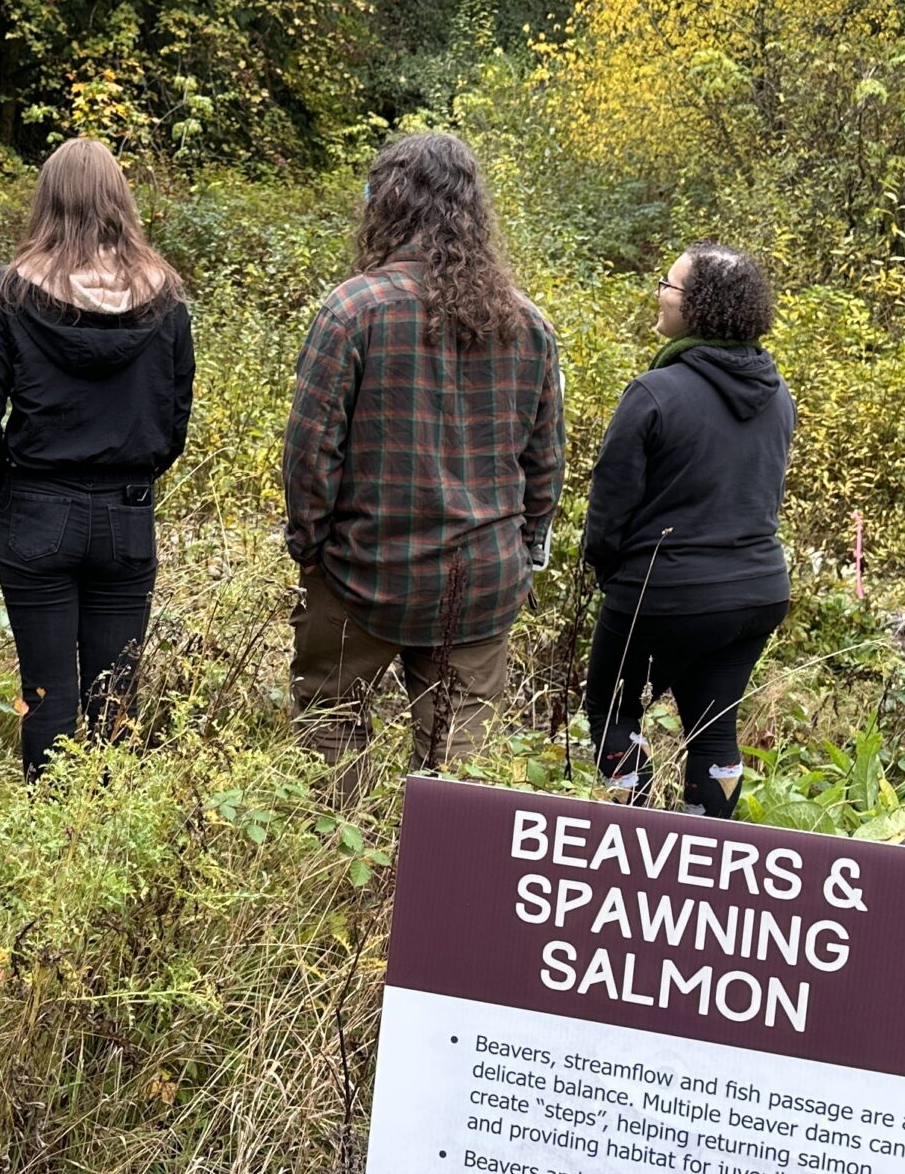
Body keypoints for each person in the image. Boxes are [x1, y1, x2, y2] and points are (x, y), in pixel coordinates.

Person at [281, 132, 563, 794]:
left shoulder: (350, 312)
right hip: (481, 579)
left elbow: (308, 457)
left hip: (363, 569)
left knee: (331, 719)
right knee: (462, 755)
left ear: (389, 204)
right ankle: (449, 887)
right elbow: (545, 463)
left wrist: (311, 547)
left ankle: (335, 880)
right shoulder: (529, 325)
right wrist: (524, 552)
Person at [0, 138, 195, 776]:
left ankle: (49, 848)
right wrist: (132, 474)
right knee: (114, 701)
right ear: (120, 201)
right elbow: (174, 422)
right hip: (127, 512)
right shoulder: (165, 297)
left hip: (37, 509)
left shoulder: (9, 292)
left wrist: (4, 490)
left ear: (46, 202)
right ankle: (103, 841)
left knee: (46, 696)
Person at [580, 242, 795, 819]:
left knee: (611, 715)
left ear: (698, 307)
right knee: (714, 728)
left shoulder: (654, 393)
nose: (659, 294)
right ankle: (705, 855)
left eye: (667, 286)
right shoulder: (778, 396)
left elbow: (608, 511)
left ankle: (630, 841)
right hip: (757, 593)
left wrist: (610, 575)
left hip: (664, 591)